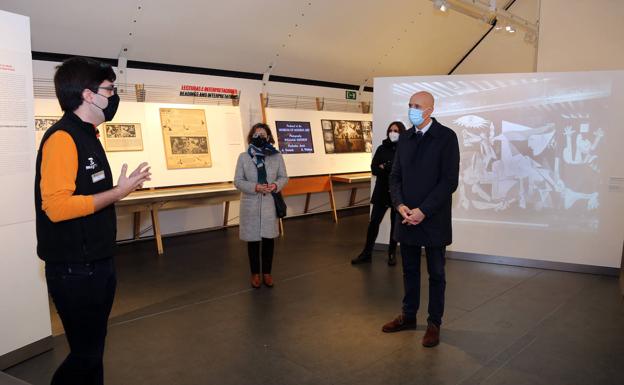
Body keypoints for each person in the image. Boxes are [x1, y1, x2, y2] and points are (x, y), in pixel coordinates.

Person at [34, 57, 151, 385]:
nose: (113, 96)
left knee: (93, 353)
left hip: (96, 263)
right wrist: (118, 193)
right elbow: (56, 207)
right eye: (109, 89)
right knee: (85, 356)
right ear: (87, 95)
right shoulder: (62, 139)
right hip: (74, 270)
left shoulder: (88, 135)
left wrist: (117, 192)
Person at [381, 91, 460, 348]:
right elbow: (395, 177)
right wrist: (400, 205)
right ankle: (408, 316)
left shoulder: (446, 138)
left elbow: (449, 181)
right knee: (409, 270)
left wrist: (423, 210)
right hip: (406, 217)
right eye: (409, 105)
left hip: (433, 218)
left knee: (436, 273)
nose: (411, 110)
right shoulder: (405, 137)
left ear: (429, 110)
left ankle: (434, 323)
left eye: (416, 106)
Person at [234, 123, 288, 288]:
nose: (260, 137)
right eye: (257, 135)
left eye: (263, 135)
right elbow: (237, 181)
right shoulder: (244, 157)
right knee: (253, 242)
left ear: (269, 137)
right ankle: (255, 274)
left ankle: (267, 273)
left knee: (268, 240)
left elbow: (284, 177)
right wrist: (255, 187)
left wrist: (275, 185)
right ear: (251, 137)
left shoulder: (276, 156)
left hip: (269, 204)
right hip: (250, 205)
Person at [352, 121, 406, 266]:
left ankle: (392, 253)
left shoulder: (405, 149)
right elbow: (374, 169)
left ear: (402, 133)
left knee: (396, 225)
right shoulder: (382, 148)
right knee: (374, 223)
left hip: (397, 193)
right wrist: (388, 166)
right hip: (381, 191)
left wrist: (386, 166)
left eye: (396, 130)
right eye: (391, 130)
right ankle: (366, 252)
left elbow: (401, 170)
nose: (393, 133)